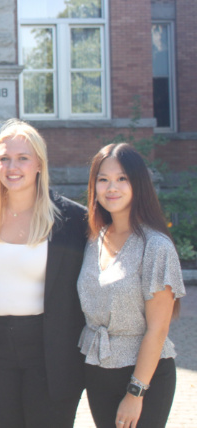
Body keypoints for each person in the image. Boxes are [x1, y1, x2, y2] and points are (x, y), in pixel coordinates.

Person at [0, 119, 88, 428]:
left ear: (39, 164)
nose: (12, 166)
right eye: (4, 158)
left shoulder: (71, 219)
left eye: (22, 158)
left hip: (50, 349)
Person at [77, 143, 185, 428]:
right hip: (98, 371)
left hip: (144, 377)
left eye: (122, 178)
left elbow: (158, 329)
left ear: (138, 184)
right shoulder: (93, 240)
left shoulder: (156, 246)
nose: (111, 187)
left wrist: (136, 392)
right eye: (103, 179)